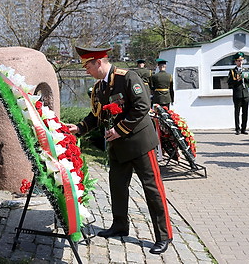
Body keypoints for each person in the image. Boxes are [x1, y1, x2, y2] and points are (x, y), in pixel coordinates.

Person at [66, 46, 173, 255]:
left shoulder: (127, 77)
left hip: (140, 144)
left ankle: (163, 235)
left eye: (87, 66)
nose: (86, 70)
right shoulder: (99, 88)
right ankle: (120, 225)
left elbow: (142, 105)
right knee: (117, 187)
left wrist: (120, 130)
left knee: (152, 190)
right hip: (118, 146)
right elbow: (97, 115)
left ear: (98, 62)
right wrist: (79, 128)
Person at [228, 52, 249, 135]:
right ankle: (237, 128)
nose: (240, 62)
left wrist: (246, 78)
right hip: (237, 94)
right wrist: (236, 80)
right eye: (238, 60)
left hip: (245, 94)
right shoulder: (232, 71)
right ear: (235, 62)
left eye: (241, 60)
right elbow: (229, 82)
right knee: (237, 112)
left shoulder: (246, 70)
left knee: (245, 112)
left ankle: (243, 128)